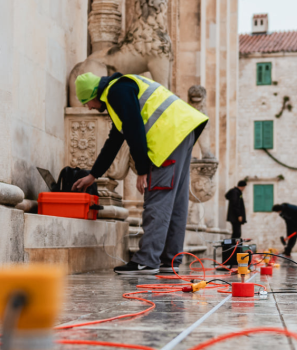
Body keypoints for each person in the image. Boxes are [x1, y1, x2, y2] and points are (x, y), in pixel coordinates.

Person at [71, 72, 209, 275]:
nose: (89, 107)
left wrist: (143, 170)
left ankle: (147, 260)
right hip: (182, 131)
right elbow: (115, 140)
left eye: (87, 102)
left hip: (169, 138)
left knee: (158, 197)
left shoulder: (117, 91)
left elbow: (134, 127)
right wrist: (94, 174)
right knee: (176, 200)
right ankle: (170, 261)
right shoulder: (121, 90)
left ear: (94, 94)